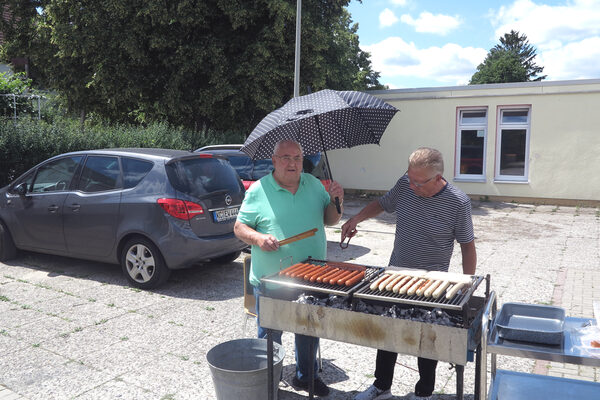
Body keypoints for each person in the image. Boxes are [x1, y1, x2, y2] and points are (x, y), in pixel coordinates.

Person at [343, 147, 477, 400]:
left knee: (427, 338)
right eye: (410, 177)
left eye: (419, 181)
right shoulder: (405, 185)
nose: (412, 184)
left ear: (438, 178)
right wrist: (356, 219)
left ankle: (424, 393)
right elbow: (382, 204)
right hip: (396, 273)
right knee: (387, 332)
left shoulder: (459, 202)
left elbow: (467, 247)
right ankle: (381, 386)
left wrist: (466, 284)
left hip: (433, 282)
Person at [234, 139, 344, 397]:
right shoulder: (259, 190)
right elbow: (239, 227)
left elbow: (330, 219)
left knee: (309, 330)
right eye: (285, 157)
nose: (292, 163)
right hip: (272, 279)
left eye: (297, 157)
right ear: (273, 161)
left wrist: (337, 201)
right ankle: (269, 380)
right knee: (270, 335)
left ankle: (306, 377)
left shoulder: (315, 185)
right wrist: (259, 239)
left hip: (311, 276)